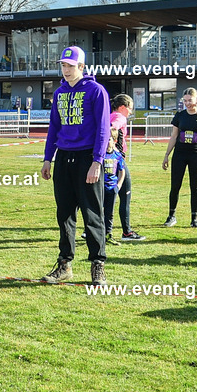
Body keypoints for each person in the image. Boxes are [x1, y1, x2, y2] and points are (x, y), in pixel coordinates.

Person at [39, 46, 110, 286]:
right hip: (64, 159)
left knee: (92, 215)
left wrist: (97, 161)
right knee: (65, 215)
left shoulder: (96, 91)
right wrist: (48, 158)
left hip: (87, 159)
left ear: (81, 67)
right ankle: (64, 265)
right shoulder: (59, 93)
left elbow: (103, 129)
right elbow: (54, 128)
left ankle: (98, 265)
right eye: (63, 65)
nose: (66, 69)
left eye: (71, 65)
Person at [162, 88, 197, 228]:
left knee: (195, 187)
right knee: (175, 186)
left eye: (190, 100)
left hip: (196, 154)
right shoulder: (180, 115)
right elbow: (174, 136)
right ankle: (171, 216)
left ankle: (194, 219)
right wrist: (167, 155)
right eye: (185, 101)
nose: (187, 103)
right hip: (180, 154)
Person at [109, 93, 145, 241]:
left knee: (104, 196)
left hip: (106, 161)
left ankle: (91, 230)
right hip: (117, 161)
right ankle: (127, 232)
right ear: (122, 107)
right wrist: (113, 148)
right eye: (130, 108)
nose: (131, 112)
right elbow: (112, 128)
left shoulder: (109, 115)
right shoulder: (119, 117)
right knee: (125, 196)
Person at [102, 128, 126, 245]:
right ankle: (96, 234)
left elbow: (122, 171)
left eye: (109, 139)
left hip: (112, 188)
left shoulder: (117, 156)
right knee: (98, 212)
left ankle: (108, 234)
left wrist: (119, 185)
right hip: (100, 188)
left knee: (109, 213)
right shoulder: (100, 155)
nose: (107, 142)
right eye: (105, 139)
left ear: (114, 141)